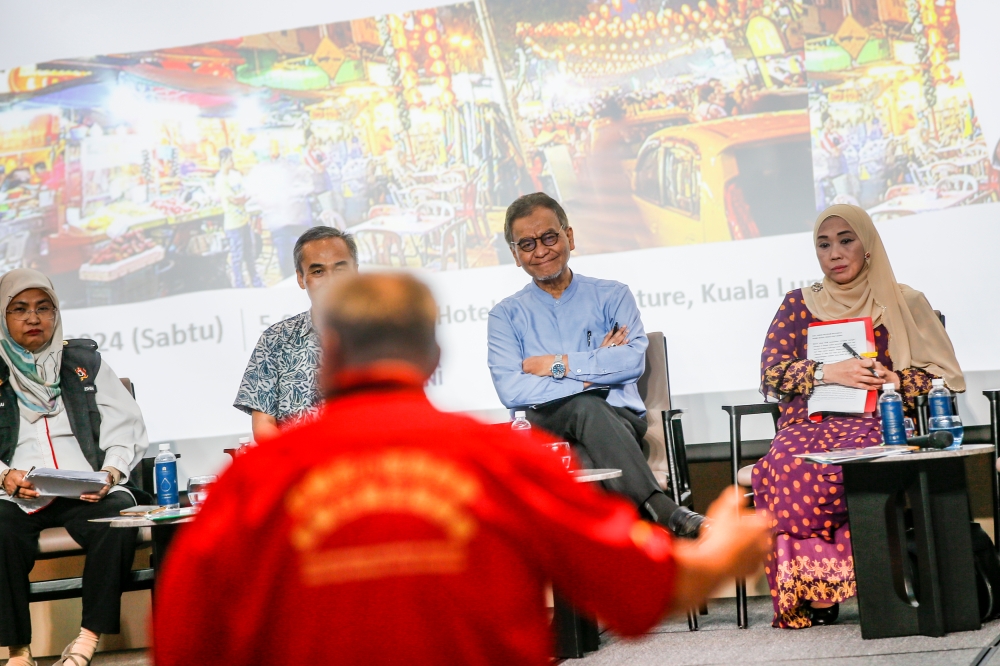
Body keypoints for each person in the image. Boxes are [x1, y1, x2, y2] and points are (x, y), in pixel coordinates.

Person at [153, 272, 770, 666]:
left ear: (329, 357)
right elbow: (637, 587)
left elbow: (183, 646)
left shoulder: (250, 484)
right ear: (433, 357)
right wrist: (723, 552)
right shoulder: (501, 461)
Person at [751, 204, 965, 629]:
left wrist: (894, 379)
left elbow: (943, 376)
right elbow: (771, 373)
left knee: (861, 463)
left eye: (846, 240)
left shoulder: (904, 302)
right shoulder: (798, 305)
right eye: (824, 243)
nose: (834, 252)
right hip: (808, 425)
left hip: (876, 420)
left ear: (867, 245)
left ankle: (868, 582)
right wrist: (825, 371)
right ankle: (816, 590)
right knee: (790, 463)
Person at [486, 193, 704, 538]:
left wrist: (556, 365)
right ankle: (660, 511)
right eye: (526, 244)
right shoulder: (505, 316)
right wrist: (592, 376)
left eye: (549, 237)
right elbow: (512, 390)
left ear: (569, 236)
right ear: (515, 255)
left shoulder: (613, 295)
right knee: (586, 406)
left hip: (616, 421)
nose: (540, 250)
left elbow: (630, 362)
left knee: (586, 449)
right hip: (546, 426)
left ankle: (590, 584)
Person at [0, 269, 150, 666]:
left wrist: (111, 473)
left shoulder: (86, 363)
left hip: (87, 488)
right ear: (2, 316)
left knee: (118, 517)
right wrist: (4, 475)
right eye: (20, 309)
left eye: (43, 308)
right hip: (17, 492)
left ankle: (86, 640)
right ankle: (17, 651)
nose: (34, 318)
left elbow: (127, 427)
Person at [234, 226, 358, 441]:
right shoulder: (275, 340)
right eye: (318, 271)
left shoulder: (382, 334)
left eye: (340, 269)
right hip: (298, 467)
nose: (330, 280)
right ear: (301, 278)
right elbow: (264, 424)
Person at [216, 148, 263, 289]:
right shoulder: (220, 180)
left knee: (250, 254)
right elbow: (235, 200)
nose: (232, 162)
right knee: (237, 257)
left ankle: (256, 281)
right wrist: (244, 198)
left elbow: (244, 193)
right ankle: (239, 285)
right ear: (223, 161)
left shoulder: (235, 175)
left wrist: (244, 197)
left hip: (244, 221)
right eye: (230, 159)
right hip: (233, 224)